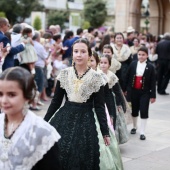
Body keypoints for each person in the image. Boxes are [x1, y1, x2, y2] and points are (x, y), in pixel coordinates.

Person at [44, 38, 111, 170]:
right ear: (72, 53)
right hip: (64, 118)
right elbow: (56, 102)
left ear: (89, 55)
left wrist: (105, 132)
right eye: (76, 51)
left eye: (83, 51)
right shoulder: (64, 74)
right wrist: (44, 122)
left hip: (86, 120)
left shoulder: (97, 78)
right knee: (58, 152)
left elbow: (99, 106)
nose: (79, 55)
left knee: (81, 155)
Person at [0, 67, 61, 169]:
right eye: (0, 94)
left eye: (11, 95)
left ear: (27, 95)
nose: (4, 100)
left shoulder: (43, 132)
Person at [124, 46, 156, 140]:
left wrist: (153, 95)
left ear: (147, 56)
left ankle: (142, 131)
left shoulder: (150, 67)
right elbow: (127, 77)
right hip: (133, 91)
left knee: (144, 110)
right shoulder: (133, 64)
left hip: (145, 92)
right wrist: (125, 89)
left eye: (143, 55)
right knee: (134, 110)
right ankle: (134, 126)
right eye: (139, 54)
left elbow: (153, 82)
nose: (141, 56)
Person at [100, 54, 129, 144]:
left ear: (109, 65)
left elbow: (117, 91)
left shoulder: (112, 76)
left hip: (109, 101)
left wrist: (118, 104)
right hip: (100, 101)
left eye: (105, 63)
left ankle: (112, 142)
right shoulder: (96, 74)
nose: (103, 65)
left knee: (111, 122)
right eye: (101, 62)